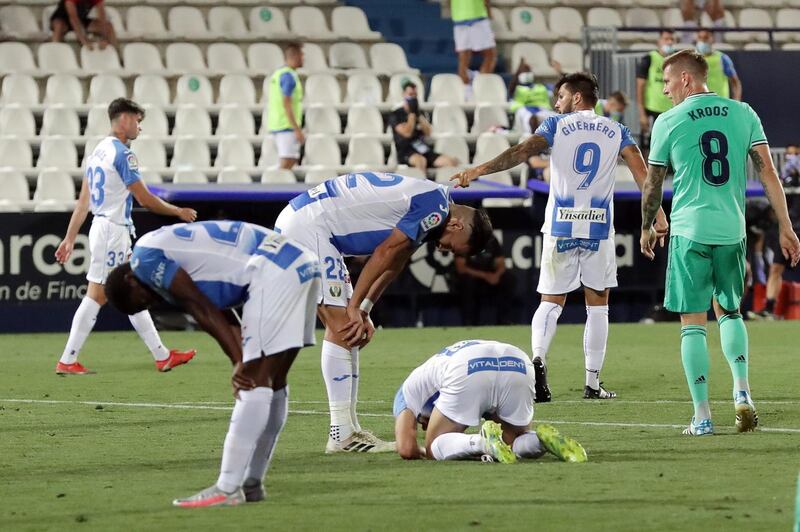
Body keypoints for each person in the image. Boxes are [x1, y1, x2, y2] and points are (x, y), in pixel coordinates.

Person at [451, 73, 669, 402]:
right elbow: (646, 178)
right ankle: (593, 384)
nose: (556, 103)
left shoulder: (555, 126)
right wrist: (658, 218)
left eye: (561, 96)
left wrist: (478, 170)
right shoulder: (618, 131)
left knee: (551, 303)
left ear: (577, 98)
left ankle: (538, 360)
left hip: (560, 226)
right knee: (598, 307)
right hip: (597, 228)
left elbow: (521, 152)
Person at [104, 221, 321, 507]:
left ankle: (227, 488)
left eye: (141, 301)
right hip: (302, 264)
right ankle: (252, 483)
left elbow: (200, 307)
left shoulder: (144, 259)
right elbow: (219, 306)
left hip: (273, 272)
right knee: (274, 379)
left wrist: (240, 360)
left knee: (253, 381)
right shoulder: (163, 249)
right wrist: (240, 356)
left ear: (130, 280)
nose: (150, 303)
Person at [640, 50, 800, 436]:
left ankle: (702, 416)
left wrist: (647, 225)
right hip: (732, 230)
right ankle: (743, 394)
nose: (664, 90)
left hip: (690, 230)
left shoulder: (669, 121)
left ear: (686, 80)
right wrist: (786, 226)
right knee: (730, 312)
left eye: (667, 82)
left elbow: (653, 183)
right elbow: (768, 173)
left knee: (692, 323)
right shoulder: (744, 113)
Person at [275, 171, 493, 453]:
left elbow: (394, 262)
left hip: (316, 228)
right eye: (453, 247)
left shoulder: (435, 206)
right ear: (458, 225)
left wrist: (364, 308)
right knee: (343, 328)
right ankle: (341, 434)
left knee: (350, 330)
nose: (444, 250)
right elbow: (384, 252)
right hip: (310, 227)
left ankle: (347, 431)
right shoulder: (435, 210)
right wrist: (352, 307)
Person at [54, 98, 197, 375]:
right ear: (123, 120)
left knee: (131, 289)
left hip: (103, 227)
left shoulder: (97, 152)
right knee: (98, 295)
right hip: (113, 231)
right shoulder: (122, 154)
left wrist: (70, 238)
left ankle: (162, 355)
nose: (139, 128)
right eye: (137, 121)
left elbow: (83, 202)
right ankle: (68, 359)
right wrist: (178, 211)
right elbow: (144, 198)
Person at [393, 339, 587, 463]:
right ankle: (541, 441)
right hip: (517, 360)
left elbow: (406, 449)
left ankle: (483, 443)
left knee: (434, 447)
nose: (424, 428)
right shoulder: (431, 373)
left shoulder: (407, 392)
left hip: (467, 367)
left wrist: (425, 449)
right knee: (512, 442)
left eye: (421, 423)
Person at [389, 80, 458, 172]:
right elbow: (407, 133)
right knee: (421, 161)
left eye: (415, 94)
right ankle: (423, 185)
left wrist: (418, 115)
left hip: (422, 149)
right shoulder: (396, 114)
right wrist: (412, 114)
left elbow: (428, 132)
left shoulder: (421, 113)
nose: (413, 97)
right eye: (410, 94)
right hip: (406, 151)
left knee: (451, 161)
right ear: (404, 94)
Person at [451, 236, 515, 325]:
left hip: (489, 278)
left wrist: (496, 275)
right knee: (467, 282)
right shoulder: (464, 239)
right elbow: (461, 268)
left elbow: (501, 264)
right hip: (472, 277)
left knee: (508, 279)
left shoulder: (491, 240)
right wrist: (485, 276)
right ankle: (470, 322)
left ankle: (504, 321)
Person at [447, 0, 497, 98]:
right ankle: (480, 86)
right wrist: (489, 12)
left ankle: (466, 91)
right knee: (490, 55)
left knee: (463, 57)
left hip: (459, 17)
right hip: (477, 16)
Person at [636, 30, 676, 150]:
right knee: (649, 145)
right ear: (659, 41)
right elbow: (640, 87)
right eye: (666, 39)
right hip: (651, 109)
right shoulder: (648, 59)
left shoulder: (678, 60)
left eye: (672, 39)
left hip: (671, 109)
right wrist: (642, 113)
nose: (669, 42)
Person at [267, 43, 304, 170]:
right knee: (287, 161)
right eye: (301, 55)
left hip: (279, 123)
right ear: (295, 56)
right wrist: (297, 128)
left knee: (290, 159)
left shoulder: (279, 73)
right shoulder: (288, 76)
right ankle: (272, 186)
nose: (303, 59)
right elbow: (286, 103)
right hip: (286, 125)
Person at [508, 60, 557, 135]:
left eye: (528, 71)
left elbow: (557, 90)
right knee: (531, 118)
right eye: (524, 72)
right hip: (524, 109)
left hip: (542, 108)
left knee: (557, 119)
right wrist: (518, 70)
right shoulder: (517, 88)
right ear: (519, 75)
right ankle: (534, 137)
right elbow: (510, 91)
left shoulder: (542, 86)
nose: (526, 74)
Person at [50, 0, 118, 50]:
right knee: (59, 26)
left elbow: (102, 15)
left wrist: (104, 38)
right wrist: (84, 41)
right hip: (62, 19)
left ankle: (118, 57)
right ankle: (54, 51)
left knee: (109, 26)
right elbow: (73, 18)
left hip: (81, 20)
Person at [695, 29, 741, 101]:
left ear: (712, 39)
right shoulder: (691, 59)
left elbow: (735, 82)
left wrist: (737, 100)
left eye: (706, 38)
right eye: (700, 38)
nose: (702, 41)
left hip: (721, 105)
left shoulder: (722, 58)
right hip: (700, 105)